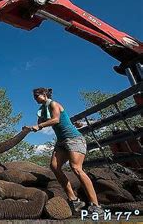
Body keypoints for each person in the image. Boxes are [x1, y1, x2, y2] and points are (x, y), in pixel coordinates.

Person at [26, 87, 104, 215]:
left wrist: (39, 125)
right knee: (54, 166)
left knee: (76, 168)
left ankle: (96, 206)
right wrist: (31, 127)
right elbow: (39, 125)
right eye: (34, 97)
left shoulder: (54, 104)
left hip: (74, 139)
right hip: (61, 141)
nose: (35, 99)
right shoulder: (41, 111)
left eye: (36, 96)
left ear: (44, 94)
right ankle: (74, 200)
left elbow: (56, 120)